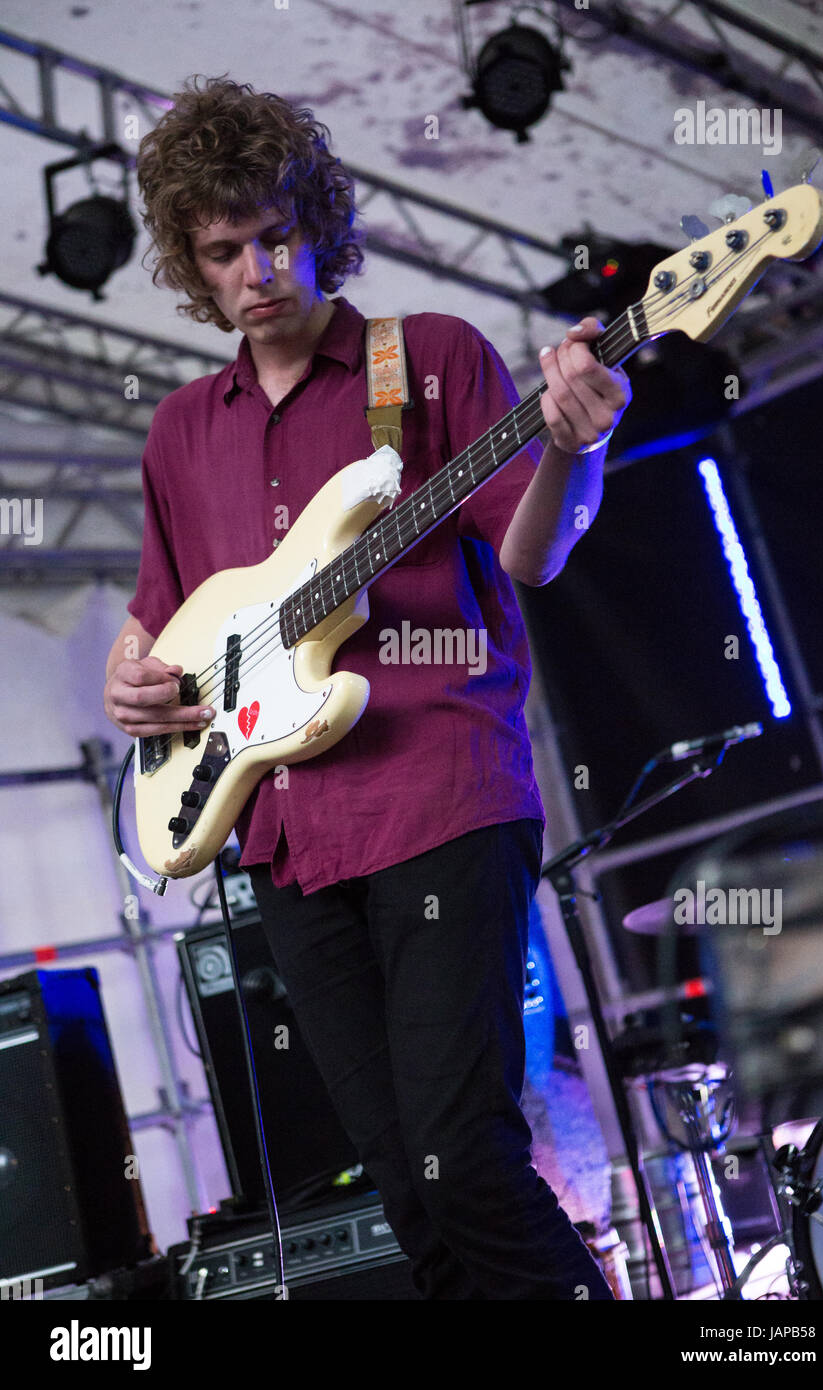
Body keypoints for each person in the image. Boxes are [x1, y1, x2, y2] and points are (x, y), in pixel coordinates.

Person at [104, 75, 631, 1300]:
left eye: (275, 233)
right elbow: (158, 621)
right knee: (403, 1187)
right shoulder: (180, 429)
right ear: (193, 264)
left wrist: (574, 442)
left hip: (438, 800)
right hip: (285, 839)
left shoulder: (427, 358)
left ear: (318, 218)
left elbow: (532, 553)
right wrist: (135, 686)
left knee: (469, 1169)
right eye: (224, 250)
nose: (257, 270)